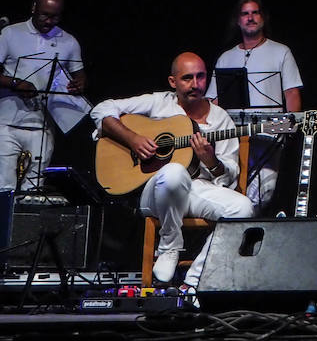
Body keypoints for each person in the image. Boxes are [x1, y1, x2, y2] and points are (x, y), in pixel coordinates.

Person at [92, 52, 254, 287]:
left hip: (197, 189)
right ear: (173, 82)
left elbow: (229, 176)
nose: (195, 84)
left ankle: (195, 280)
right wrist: (133, 138)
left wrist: (211, 161)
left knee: (244, 209)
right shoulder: (159, 103)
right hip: (156, 192)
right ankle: (169, 246)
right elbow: (101, 109)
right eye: (188, 78)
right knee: (173, 172)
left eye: (201, 77)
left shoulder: (221, 119)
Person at [0, 0, 88, 242]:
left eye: (55, 17)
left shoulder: (69, 41)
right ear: (33, 9)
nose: (49, 22)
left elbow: (80, 74)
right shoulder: (10, 33)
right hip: (7, 123)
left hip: (42, 127)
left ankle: (23, 250)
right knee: (3, 188)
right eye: (44, 16)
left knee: (33, 191)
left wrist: (79, 83)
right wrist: (15, 83)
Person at [206, 0, 304, 212]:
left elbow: (292, 94)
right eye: (245, 13)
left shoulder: (281, 51)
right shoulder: (225, 58)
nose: (250, 18)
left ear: (263, 18)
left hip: (268, 132)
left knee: (263, 192)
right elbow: (212, 101)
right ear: (238, 20)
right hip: (231, 134)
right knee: (230, 188)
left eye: (255, 12)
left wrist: (288, 127)